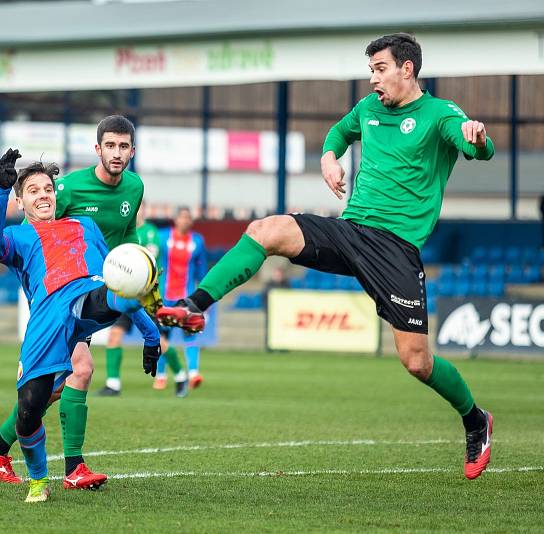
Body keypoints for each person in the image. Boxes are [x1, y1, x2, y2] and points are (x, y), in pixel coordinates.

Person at [157, 33, 494, 480]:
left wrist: (478, 135)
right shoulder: (369, 109)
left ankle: (475, 419)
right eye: (370, 69)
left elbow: (475, 146)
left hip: (395, 249)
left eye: (380, 69)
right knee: (265, 230)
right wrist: (329, 156)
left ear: (406, 69)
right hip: (350, 232)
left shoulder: (439, 115)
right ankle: (194, 306)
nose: (372, 79)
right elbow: (339, 131)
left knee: (416, 361)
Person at [0, 115, 158, 489]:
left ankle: (65, 464)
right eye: (34, 191)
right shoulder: (22, 237)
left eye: (48, 189)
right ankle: (6, 451)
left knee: (79, 370)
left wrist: (149, 331)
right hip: (52, 312)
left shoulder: (89, 225)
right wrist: (0, 190)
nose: (45, 195)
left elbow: (118, 282)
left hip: (87, 299)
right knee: (43, 395)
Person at [98, 199, 162, 396]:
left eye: (140, 207)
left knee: (160, 342)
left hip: (145, 296)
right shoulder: (123, 232)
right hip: (125, 294)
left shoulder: (150, 232)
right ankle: (113, 384)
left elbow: (150, 261)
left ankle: (179, 375)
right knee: (114, 335)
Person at [153, 206, 207, 394]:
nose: (185, 220)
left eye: (188, 217)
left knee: (190, 334)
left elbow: (201, 272)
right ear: (175, 219)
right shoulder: (161, 237)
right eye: (182, 217)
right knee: (162, 337)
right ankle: (161, 375)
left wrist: (203, 300)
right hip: (164, 297)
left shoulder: (198, 241)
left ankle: (193, 374)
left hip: (187, 297)